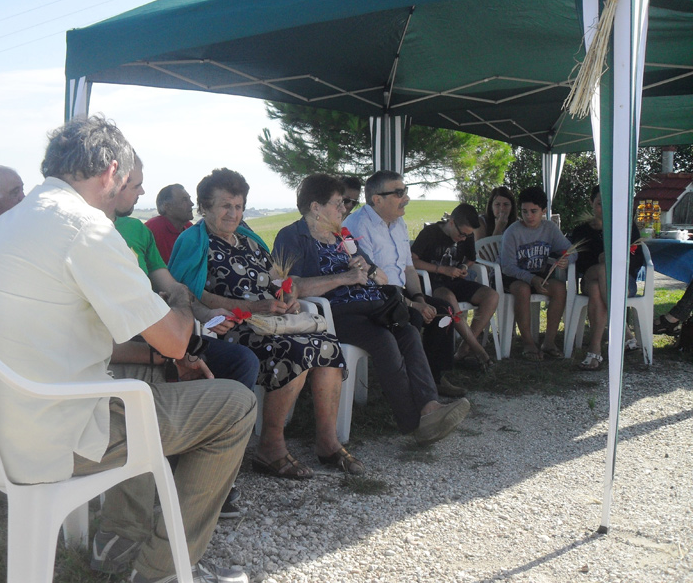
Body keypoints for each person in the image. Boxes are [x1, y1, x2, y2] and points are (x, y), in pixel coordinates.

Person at [0, 116, 255, 583]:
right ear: (112, 171)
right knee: (235, 404)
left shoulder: (5, 225)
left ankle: (119, 539)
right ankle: (165, 570)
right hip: (50, 435)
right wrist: (178, 303)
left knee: (141, 381)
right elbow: (175, 339)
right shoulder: (86, 229)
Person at [169, 167, 364, 478]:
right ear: (203, 208)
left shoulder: (248, 241)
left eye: (239, 206)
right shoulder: (193, 242)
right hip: (228, 328)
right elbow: (189, 297)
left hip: (269, 320)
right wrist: (249, 307)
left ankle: (327, 442)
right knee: (295, 350)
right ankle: (270, 448)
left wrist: (287, 297)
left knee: (326, 346)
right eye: (225, 206)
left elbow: (277, 279)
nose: (234, 214)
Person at [112, 156, 259, 520]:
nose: (144, 191)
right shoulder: (93, 237)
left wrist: (205, 315)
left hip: (160, 331)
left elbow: (172, 284)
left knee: (240, 360)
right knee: (189, 362)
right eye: (135, 185)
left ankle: (205, 474)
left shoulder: (137, 231)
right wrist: (173, 347)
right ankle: (188, 482)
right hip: (133, 344)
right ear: (109, 183)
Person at [274, 174, 470, 443]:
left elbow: (381, 277)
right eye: (338, 203)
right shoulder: (292, 236)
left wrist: (370, 270)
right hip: (331, 314)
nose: (344, 209)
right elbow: (290, 287)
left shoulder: (342, 235)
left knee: (409, 331)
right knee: (384, 340)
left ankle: (430, 407)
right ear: (315, 207)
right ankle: (415, 424)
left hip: (368, 306)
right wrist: (343, 278)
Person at [344, 170, 465, 398]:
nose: (406, 198)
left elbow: (409, 268)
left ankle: (435, 377)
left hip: (400, 293)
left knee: (442, 311)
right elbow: (370, 281)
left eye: (405, 191)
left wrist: (418, 299)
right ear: (377, 199)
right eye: (399, 193)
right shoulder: (358, 225)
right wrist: (413, 306)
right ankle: (407, 386)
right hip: (374, 297)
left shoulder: (398, 223)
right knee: (414, 316)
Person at [411, 203, 498, 370]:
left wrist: (464, 268)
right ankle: (479, 351)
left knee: (491, 296)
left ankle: (465, 349)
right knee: (448, 299)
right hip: (433, 283)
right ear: (451, 222)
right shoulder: (430, 233)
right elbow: (412, 261)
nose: (464, 238)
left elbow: (471, 258)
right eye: (461, 234)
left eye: (468, 235)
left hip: (455, 280)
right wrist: (441, 269)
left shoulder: (467, 235)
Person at [570, 186, 644, 370]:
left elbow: (638, 258)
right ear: (591, 204)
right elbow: (577, 262)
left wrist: (620, 262)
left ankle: (595, 351)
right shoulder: (581, 231)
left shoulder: (627, 227)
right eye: (599, 204)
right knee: (602, 271)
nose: (604, 208)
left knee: (597, 288)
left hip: (623, 282)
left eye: (609, 204)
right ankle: (624, 331)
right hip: (589, 275)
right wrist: (599, 259)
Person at [499, 186, 573, 361]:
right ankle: (528, 343)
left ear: (544, 211)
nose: (529, 216)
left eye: (534, 211)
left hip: (540, 277)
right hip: (514, 278)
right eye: (524, 211)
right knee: (523, 290)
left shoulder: (550, 228)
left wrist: (566, 259)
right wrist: (532, 279)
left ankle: (549, 342)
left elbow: (571, 250)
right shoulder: (513, 231)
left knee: (560, 289)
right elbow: (507, 267)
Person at [145, 184, 194, 263]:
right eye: (184, 200)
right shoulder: (153, 228)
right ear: (168, 207)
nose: (191, 204)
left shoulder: (190, 228)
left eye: (189, 199)